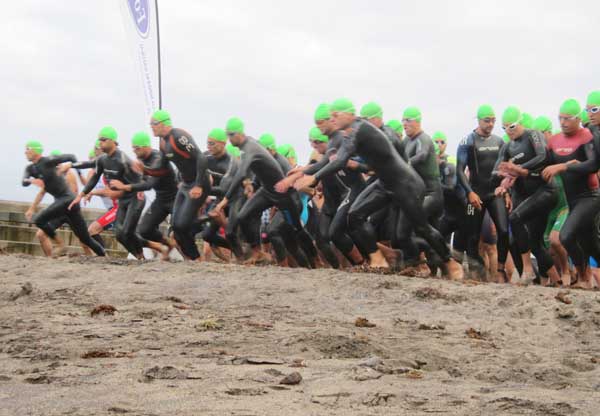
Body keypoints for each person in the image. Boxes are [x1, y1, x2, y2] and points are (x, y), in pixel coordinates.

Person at [213, 117, 317, 267]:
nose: (228, 139)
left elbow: (241, 173)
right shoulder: (248, 146)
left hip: (285, 197)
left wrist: (225, 199)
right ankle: (258, 252)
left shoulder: (252, 149)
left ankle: (314, 260)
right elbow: (255, 174)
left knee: (295, 233)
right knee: (243, 216)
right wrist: (252, 185)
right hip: (267, 192)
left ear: (239, 134)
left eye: (230, 135)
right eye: (227, 135)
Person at [69, 127, 164, 259]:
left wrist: (126, 187)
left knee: (127, 232)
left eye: (103, 140)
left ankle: (151, 251)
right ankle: (141, 257)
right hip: (123, 200)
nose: (99, 143)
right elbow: (93, 176)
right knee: (119, 235)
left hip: (136, 198)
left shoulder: (123, 160)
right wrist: (81, 194)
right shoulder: (103, 160)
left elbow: (143, 181)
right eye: (99, 140)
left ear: (113, 141)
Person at [495, 106, 561, 285]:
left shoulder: (533, 135)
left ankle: (528, 269)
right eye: (505, 128)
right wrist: (504, 180)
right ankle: (556, 280)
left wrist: (518, 169)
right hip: (528, 195)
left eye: (512, 126)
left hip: (546, 191)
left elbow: (541, 156)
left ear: (521, 122)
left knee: (515, 218)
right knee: (533, 241)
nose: (509, 131)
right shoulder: (509, 146)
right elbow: (497, 169)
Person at [542, 99, 600, 289]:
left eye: (567, 119)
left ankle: (582, 277)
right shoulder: (555, 141)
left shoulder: (587, 136)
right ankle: (587, 280)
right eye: (560, 118)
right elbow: (544, 166)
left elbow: (593, 164)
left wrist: (564, 166)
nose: (563, 122)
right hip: (572, 199)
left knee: (566, 236)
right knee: (590, 244)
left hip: (590, 195)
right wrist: (515, 173)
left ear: (577, 119)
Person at [456, 105, 510, 282]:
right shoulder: (468, 141)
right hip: (476, 194)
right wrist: (470, 193)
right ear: (478, 120)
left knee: (503, 231)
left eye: (494, 120)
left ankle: (500, 270)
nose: (491, 124)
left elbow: (506, 170)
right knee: (472, 236)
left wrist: (506, 190)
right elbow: (459, 170)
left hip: (494, 194)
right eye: (487, 120)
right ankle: (475, 273)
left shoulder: (499, 141)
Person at [22, 141, 105, 257]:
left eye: (28, 148)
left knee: (85, 239)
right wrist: (31, 207)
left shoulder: (68, 174)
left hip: (69, 206)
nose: (57, 167)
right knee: (41, 233)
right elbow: (41, 192)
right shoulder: (49, 174)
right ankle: (51, 258)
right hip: (60, 209)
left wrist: (77, 168)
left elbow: (76, 192)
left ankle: (102, 256)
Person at [150, 109, 211, 261]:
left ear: (164, 124)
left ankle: (197, 257)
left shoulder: (179, 136)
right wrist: (144, 170)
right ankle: (194, 257)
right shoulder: (163, 143)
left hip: (199, 183)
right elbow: (161, 167)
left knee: (183, 225)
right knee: (176, 227)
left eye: (153, 124)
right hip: (185, 185)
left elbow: (201, 158)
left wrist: (198, 185)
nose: (151, 127)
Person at [109, 131, 178, 258]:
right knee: (145, 230)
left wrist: (125, 186)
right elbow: (142, 179)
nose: (135, 151)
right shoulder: (141, 159)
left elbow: (150, 184)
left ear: (146, 146)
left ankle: (193, 259)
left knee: (181, 229)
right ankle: (168, 243)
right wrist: (138, 186)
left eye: (137, 148)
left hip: (175, 198)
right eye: (133, 148)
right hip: (161, 199)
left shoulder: (157, 159)